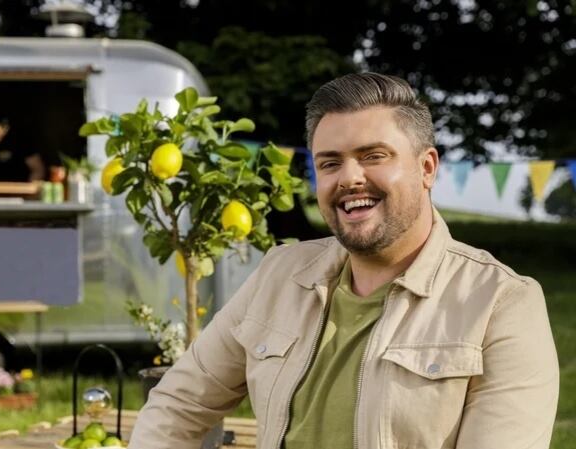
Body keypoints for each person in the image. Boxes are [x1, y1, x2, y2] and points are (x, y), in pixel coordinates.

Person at [129, 73, 559, 449]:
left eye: (374, 156)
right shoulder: (280, 273)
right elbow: (178, 402)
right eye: (330, 163)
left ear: (426, 167)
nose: (350, 178)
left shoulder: (501, 304)